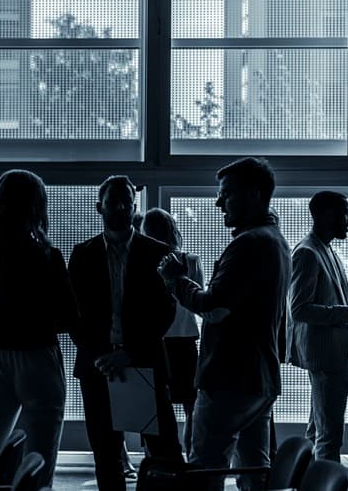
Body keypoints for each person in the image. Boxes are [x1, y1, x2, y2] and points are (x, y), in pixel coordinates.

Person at [158, 158, 291, 491]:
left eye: (227, 193)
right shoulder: (277, 240)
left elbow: (213, 306)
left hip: (228, 377)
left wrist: (176, 280)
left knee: (205, 468)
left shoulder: (248, 243)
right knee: (255, 471)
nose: (219, 202)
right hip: (260, 377)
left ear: (255, 194)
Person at [68, 176, 182, 491]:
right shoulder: (82, 254)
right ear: (98, 207)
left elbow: (165, 310)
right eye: (112, 201)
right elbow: (71, 314)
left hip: (144, 362)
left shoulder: (158, 251)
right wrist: (102, 354)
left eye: (126, 202)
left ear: (134, 206)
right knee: (105, 456)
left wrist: (129, 352)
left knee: (164, 454)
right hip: (98, 366)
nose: (120, 207)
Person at [0, 170, 79, 486]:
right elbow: (70, 317)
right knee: (40, 458)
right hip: (38, 356)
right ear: (37, 206)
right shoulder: (47, 256)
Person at [286, 191, 348, 464]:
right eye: (344, 212)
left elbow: (329, 307)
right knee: (329, 435)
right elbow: (300, 309)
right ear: (325, 214)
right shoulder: (307, 253)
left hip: (333, 355)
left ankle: (308, 480)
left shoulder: (325, 250)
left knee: (318, 430)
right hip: (326, 357)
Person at [141, 207, 204, 461]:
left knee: (151, 403)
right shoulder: (190, 260)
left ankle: (153, 457)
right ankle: (190, 455)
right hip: (185, 335)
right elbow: (197, 297)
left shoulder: (145, 260)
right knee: (191, 404)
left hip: (155, 337)